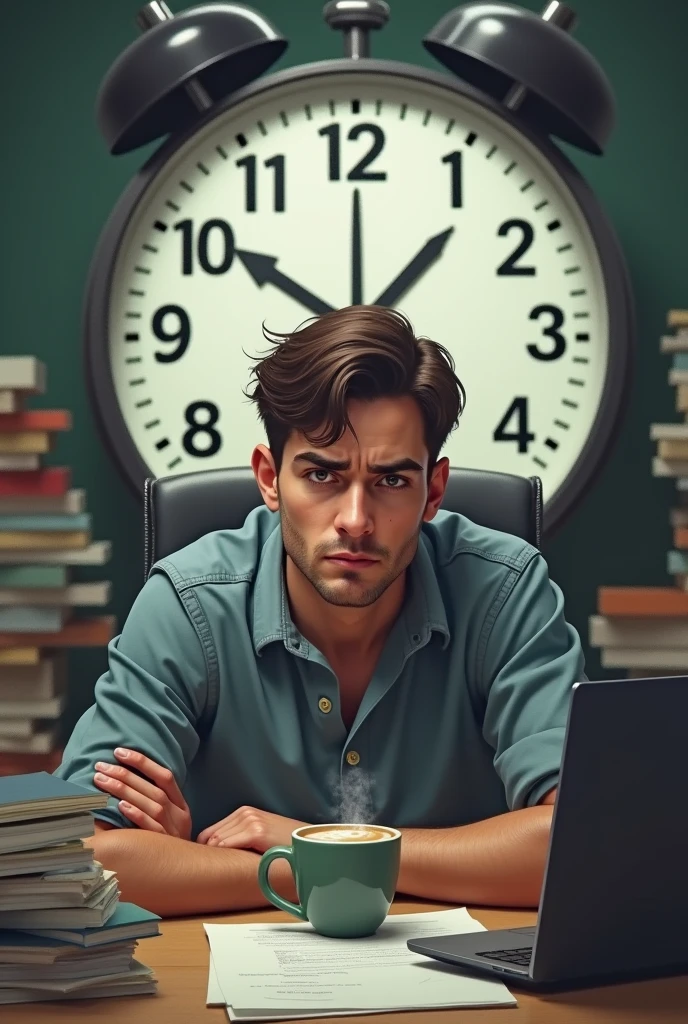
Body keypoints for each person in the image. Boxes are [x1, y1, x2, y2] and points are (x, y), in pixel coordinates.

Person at [54, 305, 584, 918]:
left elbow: (580, 844)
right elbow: (80, 857)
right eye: (323, 474)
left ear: (433, 492)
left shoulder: (506, 592)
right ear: (270, 478)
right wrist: (316, 867)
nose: (355, 520)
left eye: (390, 481)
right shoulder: (187, 603)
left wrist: (300, 850)